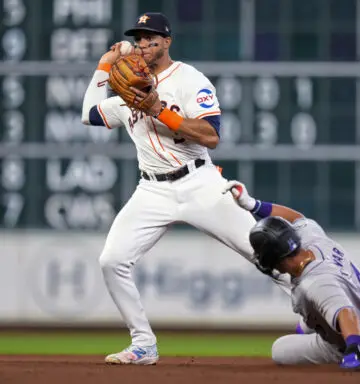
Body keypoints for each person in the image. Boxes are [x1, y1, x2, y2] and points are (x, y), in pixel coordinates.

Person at [81, 12, 291, 365]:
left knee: (267, 255)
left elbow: (211, 136)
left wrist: (161, 111)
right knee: (112, 261)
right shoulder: (125, 90)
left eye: (152, 38)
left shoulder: (190, 79)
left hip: (199, 182)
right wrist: (103, 67)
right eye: (139, 38)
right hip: (152, 190)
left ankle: (329, 325)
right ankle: (143, 343)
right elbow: (89, 114)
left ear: (167, 41)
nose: (144, 44)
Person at [223, 180, 360, 369]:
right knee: (306, 323)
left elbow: (346, 312)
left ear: (273, 258)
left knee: (280, 349)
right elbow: (296, 218)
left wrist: (354, 349)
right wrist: (253, 204)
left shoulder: (315, 283)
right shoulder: (312, 238)